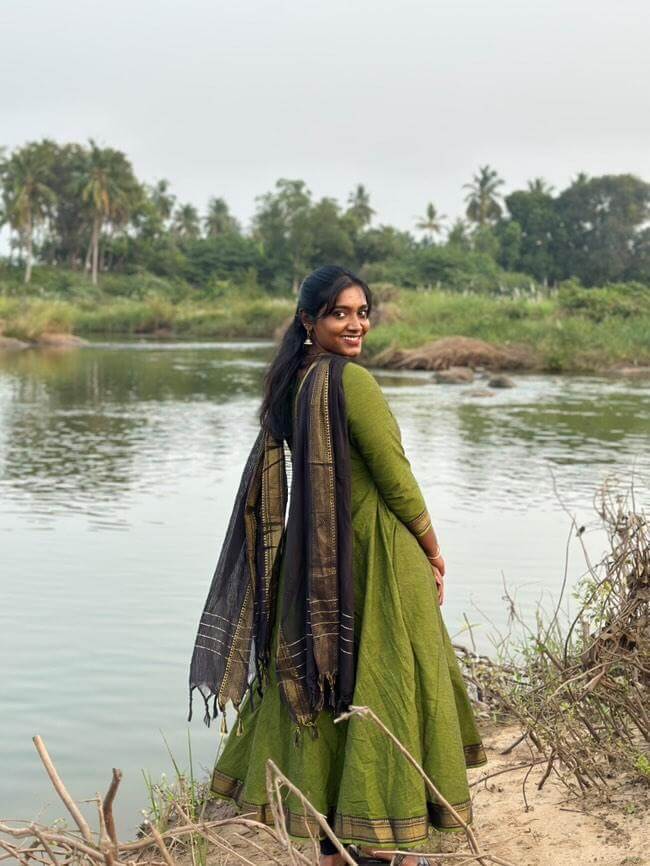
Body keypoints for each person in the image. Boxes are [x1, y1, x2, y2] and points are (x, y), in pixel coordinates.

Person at [188, 265, 486, 866]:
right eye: (340, 313)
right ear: (309, 320)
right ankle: (385, 843)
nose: (356, 324)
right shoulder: (352, 383)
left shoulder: (292, 382)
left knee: (325, 689)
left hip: (314, 560)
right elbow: (396, 479)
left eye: (362, 312)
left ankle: (332, 844)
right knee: (389, 687)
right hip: (377, 554)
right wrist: (433, 549)